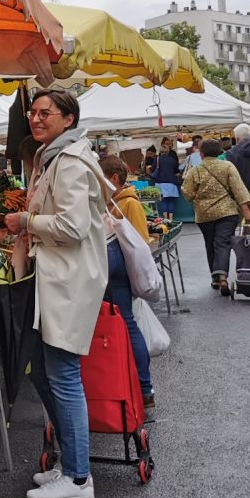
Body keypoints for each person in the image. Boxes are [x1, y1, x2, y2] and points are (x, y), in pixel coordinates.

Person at [3, 89, 107, 498]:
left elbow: (73, 225)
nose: (36, 118)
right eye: (33, 112)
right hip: (56, 279)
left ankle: (80, 479)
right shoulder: (53, 158)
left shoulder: (70, 163)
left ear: (68, 118)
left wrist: (25, 220)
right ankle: (70, 463)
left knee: (62, 375)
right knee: (43, 372)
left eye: (47, 112)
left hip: (68, 281)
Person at [99, 156, 155, 409]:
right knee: (122, 324)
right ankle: (129, 385)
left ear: (113, 179)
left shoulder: (128, 203)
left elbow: (141, 240)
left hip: (118, 268)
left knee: (127, 324)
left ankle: (145, 388)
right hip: (113, 267)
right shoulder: (109, 202)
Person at [182, 139, 250, 295]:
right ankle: (222, 277)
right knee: (222, 243)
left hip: (204, 214)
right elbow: (239, 190)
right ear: (220, 152)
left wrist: (198, 196)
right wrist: (247, 211)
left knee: (210, 245)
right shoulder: (227, 166)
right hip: (227, 212)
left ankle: (215, 278)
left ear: (201, 154)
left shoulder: (195, 171)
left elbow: (187, 193)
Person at [152, 140, 182, 221]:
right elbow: (176, 171)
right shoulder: (172, 160)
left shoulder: (157, 159)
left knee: (163, 201)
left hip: (160, 182)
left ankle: (165, 218)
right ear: (168, 151)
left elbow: (153, 168)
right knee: (171, 201)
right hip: (171, 182)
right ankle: (171, 218)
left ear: (160, 151)